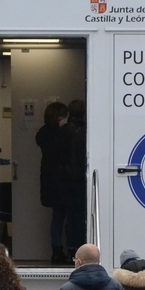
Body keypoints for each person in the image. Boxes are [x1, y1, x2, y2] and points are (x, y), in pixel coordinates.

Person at [35, 101, 70, 264]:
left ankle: (56, 250)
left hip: (49, 180)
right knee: (70, 216)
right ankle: (71, 250)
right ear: (60, 117)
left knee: (57, 217)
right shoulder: (62, 133)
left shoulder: (42, 133)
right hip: (63, 179)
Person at [59, 99, 87, 261]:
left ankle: (71, 249)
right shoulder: (85, 132)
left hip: (64, 179)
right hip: (80, 178)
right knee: (81, 216)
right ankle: (82, 252)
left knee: (70, 216)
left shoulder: (62, 131)